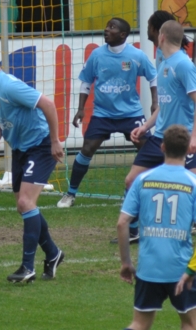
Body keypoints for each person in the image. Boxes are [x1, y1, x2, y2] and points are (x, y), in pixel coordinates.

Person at [0, 42, 65, 284]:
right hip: (21, 150)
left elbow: (47, 104)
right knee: (24, 206)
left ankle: (28, 267)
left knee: (26, 202)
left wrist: (55, 141)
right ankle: (54, 254)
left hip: (41, 146)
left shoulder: (9, 85)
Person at [57, 18, 157, 209]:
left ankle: (153, 192)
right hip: (103, 114)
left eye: (112, 27)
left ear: (122, 35)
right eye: (107, 25)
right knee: (87, 149)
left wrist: (155, 103)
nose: (106, 29)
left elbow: (153, 78)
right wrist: (80, 109)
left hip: (131, 114)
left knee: (148, 150)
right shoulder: (96, 55)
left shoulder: (136, 55)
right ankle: (70, 194)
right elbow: (86, 82)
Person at [117, 124, 196, 330]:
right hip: (181, 269)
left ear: (162, 147)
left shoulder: (143, 179)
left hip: (148, 268)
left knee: (139, 323)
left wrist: (126, 263)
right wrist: (192, 269)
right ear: (189, 149)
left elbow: (122, 222)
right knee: (190, 323)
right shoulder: (193, 183)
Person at [124, 21, 196, 243]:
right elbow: (165, 104)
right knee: (131, 180)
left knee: (189, 186)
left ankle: (186, 225)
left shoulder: (183, 65)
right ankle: (134, 230)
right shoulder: (164, 62)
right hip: (159, 137)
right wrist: (146, 126)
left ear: (162, 37)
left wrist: (194, 137)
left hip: (182, 139)